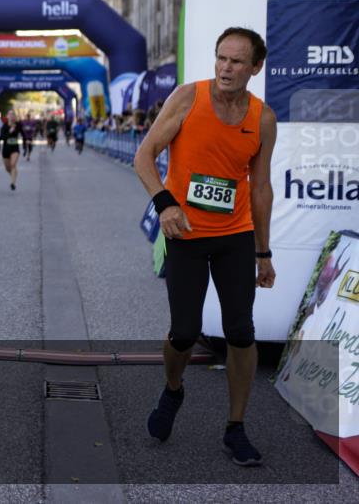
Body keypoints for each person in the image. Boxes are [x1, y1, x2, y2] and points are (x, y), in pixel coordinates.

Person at [133, 27, 276, 467]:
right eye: (220, 59)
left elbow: (261, 188)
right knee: (184, 331)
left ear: (255, 67)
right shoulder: (187, 98)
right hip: (186, 235)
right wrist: (165, 204)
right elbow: (145, 155)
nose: (225, 69)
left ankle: (236, 427)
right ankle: (173, 390)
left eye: (236, 62)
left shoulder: (263, 118)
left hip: (234, 235)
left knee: (241, 331)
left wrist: (263, 252)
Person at [0, 109, 22, 190]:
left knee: (13, 164)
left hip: (15, 148)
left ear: (14, 116)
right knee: (8, 168)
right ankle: (13, 175)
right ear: (7, 116)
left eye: (13, 114)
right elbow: (2, 137)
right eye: (10, 114)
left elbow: (23, 134)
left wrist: (26, 144)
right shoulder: (4, 126)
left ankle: (13, 183)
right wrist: (10, 132)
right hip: (6, 149)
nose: (11, 116)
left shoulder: (18, 125)